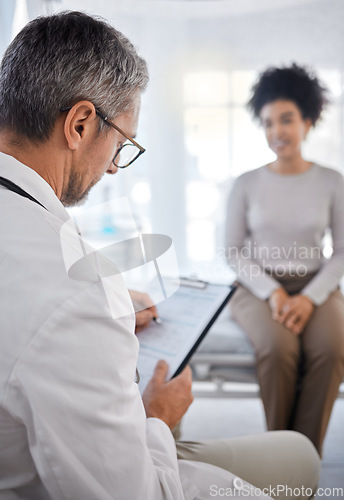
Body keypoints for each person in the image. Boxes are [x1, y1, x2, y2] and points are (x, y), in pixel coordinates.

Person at [0, 14, 320, 499]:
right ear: (81, 123)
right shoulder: (74, 290)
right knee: (299, 464)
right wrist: (156, 417)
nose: (112, 167)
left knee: (299, 451)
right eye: (121, 143)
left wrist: (103, 308)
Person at [226, 63, 344, 456]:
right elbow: (233, 251)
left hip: (316, 285)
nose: (277, 131)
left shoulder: (332, 182)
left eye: (287, 120)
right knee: (280, 350)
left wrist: (309, 297)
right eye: (268, 123)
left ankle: (303, 464)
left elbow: (342, 252)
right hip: (257, 288)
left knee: (331, 348)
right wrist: (273, 292)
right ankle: (279, 459)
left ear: (308, 121)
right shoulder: (246, 183)